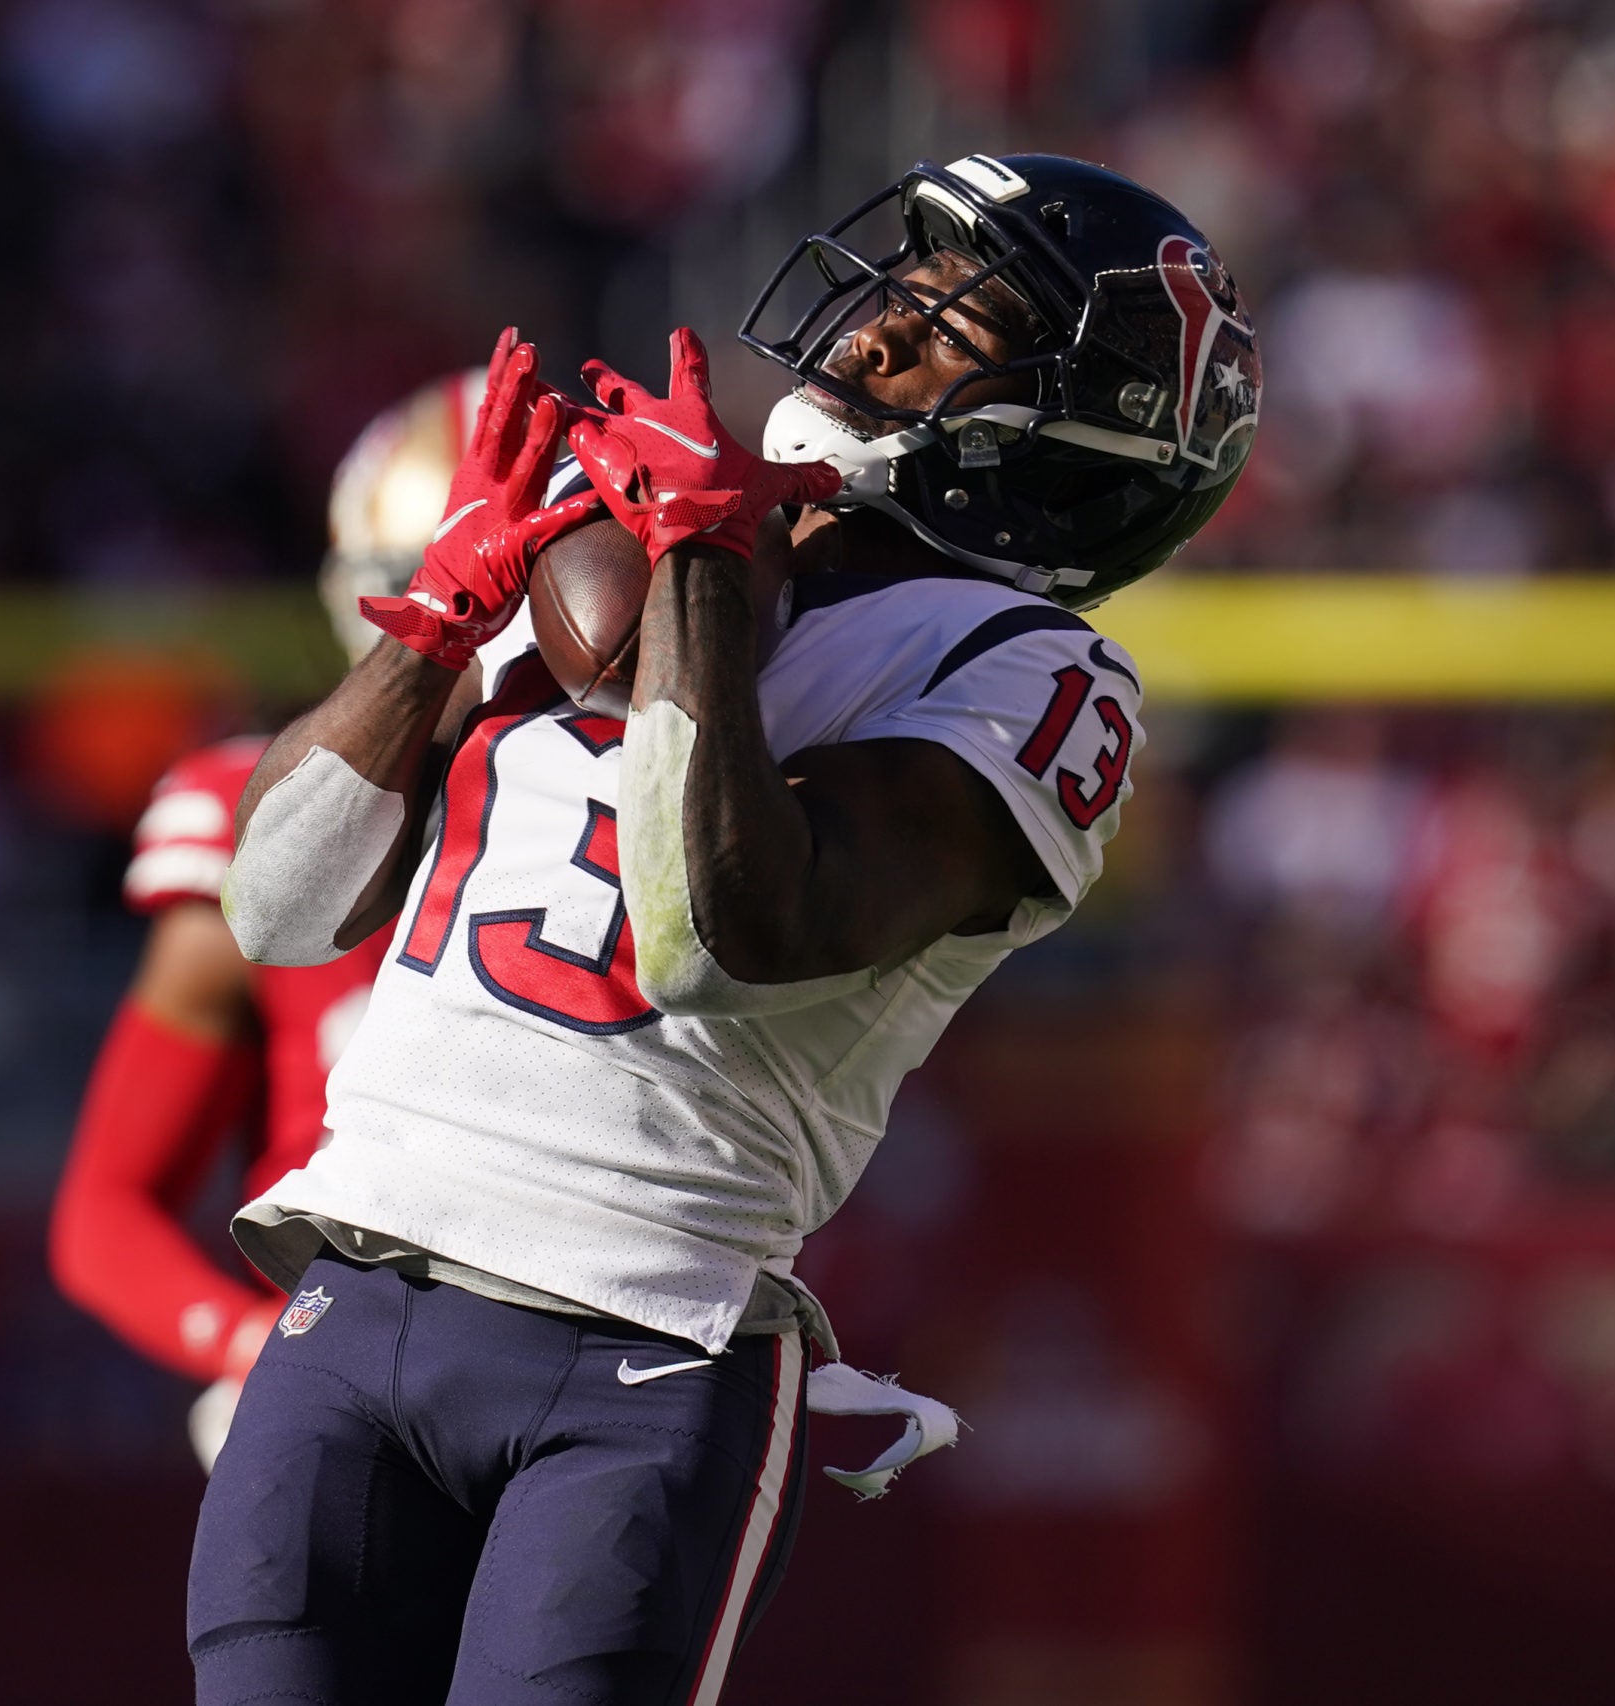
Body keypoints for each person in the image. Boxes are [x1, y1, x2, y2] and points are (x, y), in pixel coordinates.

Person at [188, 152, 1259, 1705]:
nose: (875, 336)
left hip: (639, 1338)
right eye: (900, 288)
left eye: (957, 326)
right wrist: (434, 628)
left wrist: (692, 575)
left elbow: (721, 926)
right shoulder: (633, 529)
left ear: (1085, 435)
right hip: (359, 1287)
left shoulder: (1030, 675)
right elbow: (279, 909)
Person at [49, 370, 483, 1470]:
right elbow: (106, 1209)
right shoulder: (264, 824)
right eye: (459, 583)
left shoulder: (672, 815)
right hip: (350, 1389)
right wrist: (253, 1344)